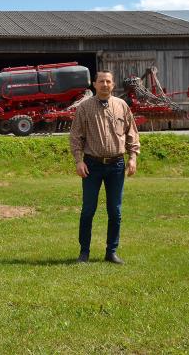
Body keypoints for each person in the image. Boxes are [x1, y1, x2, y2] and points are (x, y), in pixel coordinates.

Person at [69, 70, 140, 264]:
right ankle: (84, 253)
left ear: (113, 84)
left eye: (108, 81)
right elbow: (76, 137)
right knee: (88, 210)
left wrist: (133, 157)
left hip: (116, 165)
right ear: (94, 84)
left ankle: (111, 252)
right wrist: (78, 160)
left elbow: (131, 133)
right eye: (101, 81)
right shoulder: (84, 108)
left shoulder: (122, 106)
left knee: (115, 211)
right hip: (92, 166)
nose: (105, 84)